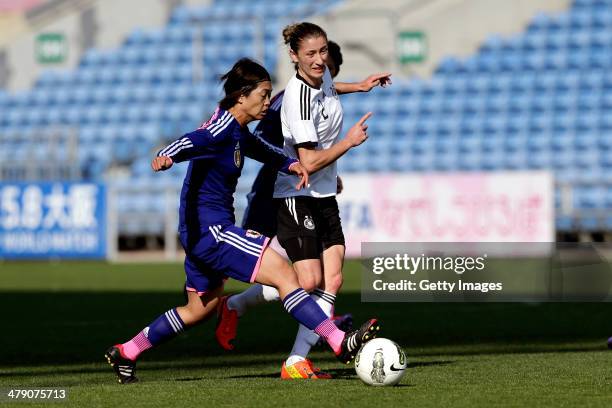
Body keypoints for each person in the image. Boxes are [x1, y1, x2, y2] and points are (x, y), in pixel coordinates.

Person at [104, 58, 380, 384]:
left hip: (199, 234)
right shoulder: (220, 129)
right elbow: (194, 139)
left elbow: (261, 149)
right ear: (241, 96)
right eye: (263, 95)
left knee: (198, 309)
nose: (267, 101)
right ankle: (338, 341)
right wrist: (169, 156)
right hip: (212, 231)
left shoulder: (237, 130)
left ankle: (127, 351)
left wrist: (291, 165)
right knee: (283, 273)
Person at [215, 24, 391, 380]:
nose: (320, 60)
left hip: (322, 193)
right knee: (305, 280)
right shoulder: (293, 99)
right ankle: (236, 305)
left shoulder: (322, 78)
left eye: (323, 52)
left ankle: (296, 360)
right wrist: (349, 142)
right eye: (311, 54)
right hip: (294, 191)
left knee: (334, 279)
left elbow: (328, 89)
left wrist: (360, 85)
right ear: (294, 56)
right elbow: (308, 161)